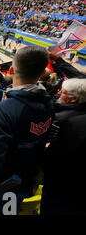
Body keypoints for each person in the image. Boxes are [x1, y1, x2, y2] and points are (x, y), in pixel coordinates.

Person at [0, 46, 54, 215]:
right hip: (25, 177)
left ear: (12, 70)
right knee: (9, 212)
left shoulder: (1, 110)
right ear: (43, 72)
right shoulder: (49, 105)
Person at [41, 78, 86, 215]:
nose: (60, 93)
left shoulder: (66, 121)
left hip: (61, 191)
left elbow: (52, 157)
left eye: (63, 92)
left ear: (73, 99)